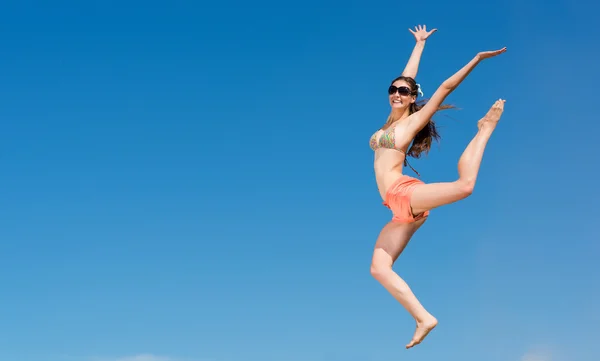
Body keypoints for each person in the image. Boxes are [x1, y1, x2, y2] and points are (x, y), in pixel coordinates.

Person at [368, 26, 507, 349]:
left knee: (465, 186)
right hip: (396, 209)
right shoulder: (389, 121)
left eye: (404, 92)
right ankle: (423, 318)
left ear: (414, 97)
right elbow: (407, 75)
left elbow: (445, 86)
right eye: (394, 89)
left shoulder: (411, 122)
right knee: (379, 269)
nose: (398, 94)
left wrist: (476, 60)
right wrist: (419, 45)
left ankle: (484, 129)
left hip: (404, 192)